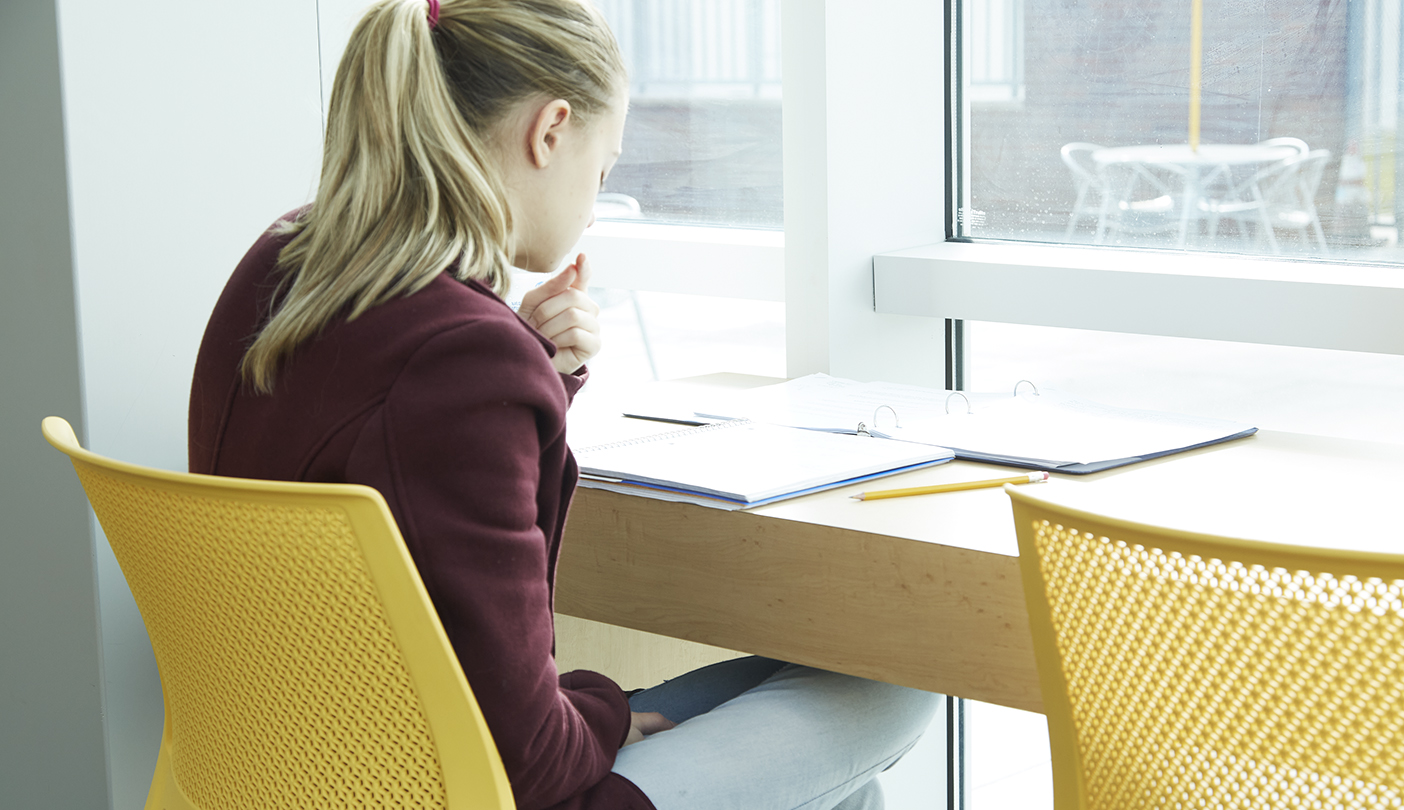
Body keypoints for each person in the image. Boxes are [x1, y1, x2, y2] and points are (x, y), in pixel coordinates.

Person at [188, 1, 939, 809]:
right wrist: (612, 714)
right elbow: (532, 765)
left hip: (306, 766)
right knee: (896, 679)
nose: (595, 198)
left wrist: (535, 368)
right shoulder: (466, 360)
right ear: (550, 132)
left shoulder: (282, 261)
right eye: (604, 168)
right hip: (468, 788)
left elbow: (392, 436)